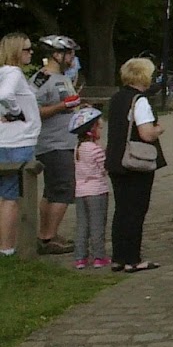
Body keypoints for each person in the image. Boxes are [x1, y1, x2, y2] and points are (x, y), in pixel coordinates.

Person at [106, 56, 165, 272]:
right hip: (135, 162)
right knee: (136, 210)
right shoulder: (140, 101)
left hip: (115, 159)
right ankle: (133, 258)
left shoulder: (117, 98)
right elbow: (146, 133)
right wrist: (159, 129)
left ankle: (118, 257)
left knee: (121, 210)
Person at [30, 36, 82, 255]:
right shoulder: (42, 79)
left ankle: (47, 234)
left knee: (52, 191)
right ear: (56, 55)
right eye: (69, 54)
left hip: (65, 141)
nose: (72, 58)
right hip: (53, 144)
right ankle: (47, 237)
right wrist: (63, 106)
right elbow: (32, 111)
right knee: (63, 189)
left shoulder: (63, 77)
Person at [0, 33, 42, 258]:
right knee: (12, 197)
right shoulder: (13, 73)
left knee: (5, 194)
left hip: (4, 139)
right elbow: (5, 95)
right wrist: (15, 111)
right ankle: (7, 248)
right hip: (18, 141)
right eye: (26, 49)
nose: (31, 53)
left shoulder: (3, 74)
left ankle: (6, 243)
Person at [71, 107, 109, 269]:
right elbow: (104, 169)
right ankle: (99, 256)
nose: (101, 129)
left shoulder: (78, 149)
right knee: (97, 224)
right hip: (97, 191)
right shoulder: (96, 149)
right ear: (92, 130)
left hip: (80, 192)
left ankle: (80, 257)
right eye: (99, 127)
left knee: (82, 224)